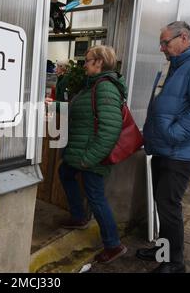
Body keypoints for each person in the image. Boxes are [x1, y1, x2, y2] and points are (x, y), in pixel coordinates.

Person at [137, 21, 190, 273]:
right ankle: (162, 250)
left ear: (184, 39)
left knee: (169, 207)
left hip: (178, 153)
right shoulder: (174, 68)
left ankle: (174, 263)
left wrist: (172, 134)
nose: (161, 48)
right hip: (164, 150)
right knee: (162, 204)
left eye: (165, 42)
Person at [58, 45, 127, 264]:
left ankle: (114, 245)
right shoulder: (92, 86)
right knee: (65, 172)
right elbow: (78, 110)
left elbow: (110, 130)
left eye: (87, 60)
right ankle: (79, 216)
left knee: (96, 197)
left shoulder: (106, 88)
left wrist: (89, 159)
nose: (84, 64)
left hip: (91, 156)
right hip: (82, 153)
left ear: (99, 62)